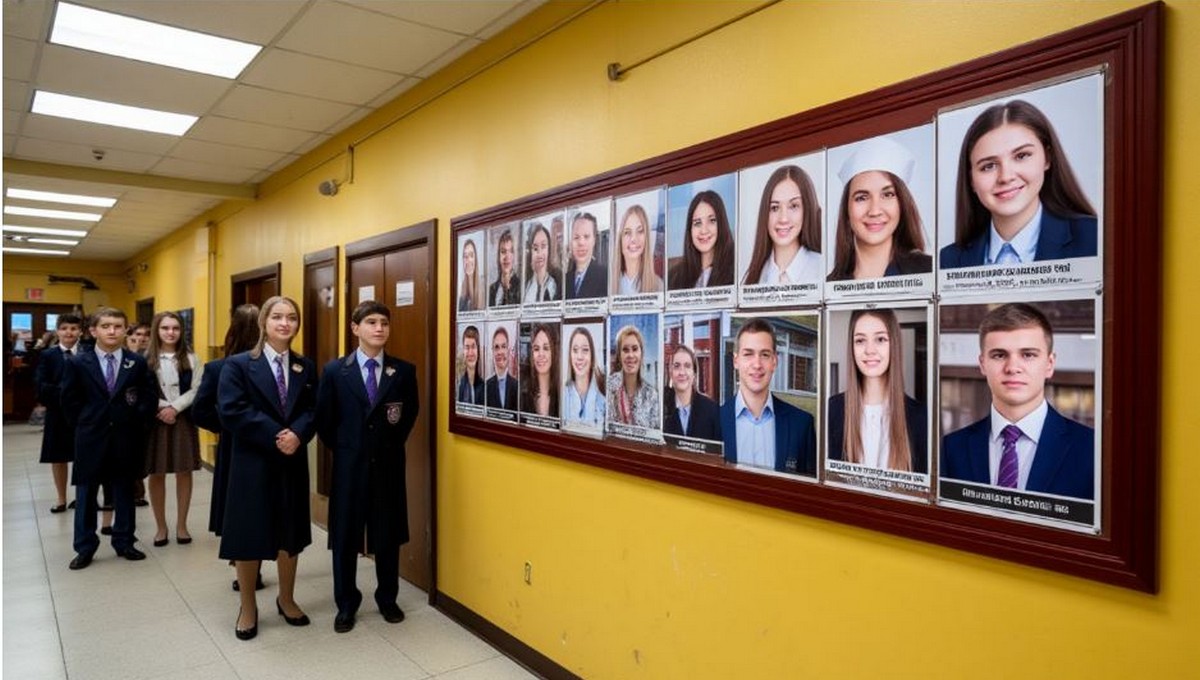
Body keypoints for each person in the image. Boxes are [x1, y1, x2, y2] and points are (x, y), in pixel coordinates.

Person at [218, 296, 317, 640]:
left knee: (290, 534)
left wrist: (299, 434)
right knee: (249, 533)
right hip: (253, 461)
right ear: (263, 322)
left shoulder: (305, 366)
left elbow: (313, 409)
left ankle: (286, 599)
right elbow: (232, 410)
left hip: (292, 460)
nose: (285, 323)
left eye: (291, 317)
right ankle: (248, 607)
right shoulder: (239, 365)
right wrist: (277, 434)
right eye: (277, 317)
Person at [317, 301, 419, 633]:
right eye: (371, 322)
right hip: (349, 468)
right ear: (355, 328)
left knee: (387, 536)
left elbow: (409, 415)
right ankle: (346, 603)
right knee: (345, 537)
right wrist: (349, 448)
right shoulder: (336, 372)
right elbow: (325, 421)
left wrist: (384, 446)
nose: (379, 328)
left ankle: (387, 598)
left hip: (387, 468)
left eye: (384, 323)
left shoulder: (403, 372)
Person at [941, 303, 1094, 499]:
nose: (1012, 367)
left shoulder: (1092, 449)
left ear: (1049, 364)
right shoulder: (952, 447)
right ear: (983, 364)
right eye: (999, 355)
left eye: (1028, 355)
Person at [940, 100, 1097, 268]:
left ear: (1047, 158)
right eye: (988, 166)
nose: (1006, 177)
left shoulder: (1096, 237)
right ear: (971, 179)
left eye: (1021, 156)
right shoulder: (948, 260)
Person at [61, 307, 157, 570]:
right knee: (86, 493)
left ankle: (124, 541)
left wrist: (137, 420)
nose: (112, 331)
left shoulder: (136, 362)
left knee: (124, 490)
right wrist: (85, 423)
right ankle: (85, 546)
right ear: (93, 331)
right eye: (106, 326)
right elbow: (69, 400)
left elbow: (148, 396)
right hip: (91, 436)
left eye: (117, 326)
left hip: (126, 436)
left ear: (125, 330)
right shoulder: (78, 363)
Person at [193, 304, 265, 592]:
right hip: (259, 444)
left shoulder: (218, 367)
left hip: (233, 447)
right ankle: (253, 568)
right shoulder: (230, 368)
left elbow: (200, 411)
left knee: (239, 511)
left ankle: (244, 568)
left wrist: (225, 426)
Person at [827, 310, 926, 472]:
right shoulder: (832, 410)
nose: (870, 350)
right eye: (860, 340)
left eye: (880, 339)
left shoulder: (921, 418)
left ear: (893, 345)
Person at [719, 319, 816, 476]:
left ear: (774, 361)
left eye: (765, 355)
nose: (757, 364)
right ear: (736, 361)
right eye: (748, 354)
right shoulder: (714, 421)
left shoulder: (801, 425)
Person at [827, 137, 932, 280]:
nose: (875, 211)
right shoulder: (830, 284)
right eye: (862, 198)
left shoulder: (929, 271)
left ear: (902, 204)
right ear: (847, 210)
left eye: (887, 195)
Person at [144, 311, 203, 546]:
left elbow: (197, 388)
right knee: (156, 472)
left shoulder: (192, 358)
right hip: (155, 420)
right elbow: (141, 389)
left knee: (184, 471)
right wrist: (162, 407)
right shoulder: (145, 359)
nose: (170, 332)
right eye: (165, 328)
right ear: (156, 331)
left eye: (175, 328)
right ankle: (161, 527)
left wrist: (175, 408)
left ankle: (182, 525)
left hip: (183, 419)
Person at [742, 165, 823, 285]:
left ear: (807, 209)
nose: (783, 218)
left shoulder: (823, 269)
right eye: (775, 208)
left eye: (793, 206)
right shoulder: (752, 277)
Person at [36, 313, 83, 514]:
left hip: (83, 413)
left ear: (80, 331)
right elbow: (41, 386)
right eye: (64, 328)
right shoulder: (48, 355)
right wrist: (67, 394)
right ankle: (61, 498)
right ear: (57, 331)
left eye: (73, 328)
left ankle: (82, 497)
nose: (69, 332)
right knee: (58, 457)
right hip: (57, 412)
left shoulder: (88, 353)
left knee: (83, 455)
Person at [669, 190, 735, 289]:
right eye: (697, 223)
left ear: (722, 224)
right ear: (690, 229)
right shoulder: (673, 276)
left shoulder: (735, 271)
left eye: (712, 220)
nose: (704, 230)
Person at [663, 345, 720, 441]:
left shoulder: (712, 410)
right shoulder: (660, 406)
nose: (682, 372)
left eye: (687, 366)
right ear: (670, 372)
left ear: (694, 373)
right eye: (676, 366)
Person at [605, 325, 659, 427]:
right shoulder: (607, 387)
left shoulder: (652, 395)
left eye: (635, 349)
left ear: (641, 353)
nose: (630, 355)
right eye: (625, 350)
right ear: (619, 355)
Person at [611, 204, 663, 294]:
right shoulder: (609, 285)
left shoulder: (658, 285)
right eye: (627, 232)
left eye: (640, 231)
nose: (633, 239)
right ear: (620, 240)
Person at [562, 327, 605, 429]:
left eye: (585, 350)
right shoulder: (563, 395)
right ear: (570, 355)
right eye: (575, 350)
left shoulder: (604, 391)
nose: (579, 357)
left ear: (592, 355)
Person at [564, 212, 608, 299]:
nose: (581, 243)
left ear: (594, 240)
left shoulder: (605, 276)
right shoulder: (565, 281)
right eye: (576, 237)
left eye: (586, 237)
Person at [521, 324, 559, 417]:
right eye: (536, 349)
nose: (541, 354)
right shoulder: (523, 394)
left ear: (554, 352)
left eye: (546, 348)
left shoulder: (561, 395)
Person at [522, 222, 561, 302]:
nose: (539, 253)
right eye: (535, 248)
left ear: (549, 249)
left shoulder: (557, 282)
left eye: (543, 246)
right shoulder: (525, 284)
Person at [485, 326, 517, 411]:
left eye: (503, 346)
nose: (500, 352)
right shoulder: (485, 387)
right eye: (496, 347)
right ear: (493, 352)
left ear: (508, 350)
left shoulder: (517, 386)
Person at [488, 228, 520, 307]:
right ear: (498, 256)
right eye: (503, 252)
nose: (507, 257)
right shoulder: (492, 290)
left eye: (511, 251)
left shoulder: (520, 287)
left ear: (514, 256)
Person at [456, 325, 484, 405]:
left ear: (478, 350)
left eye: (473, 347)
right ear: (463, 351)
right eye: (467, 347)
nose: (470, 353)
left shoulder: (485, 386)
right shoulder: (459, 385)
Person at [457, 238, 482, 311]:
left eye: (471, 255)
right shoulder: (461, 289)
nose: (468, 260)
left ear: (475, 259)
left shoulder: (483, 287)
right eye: (465, 256)